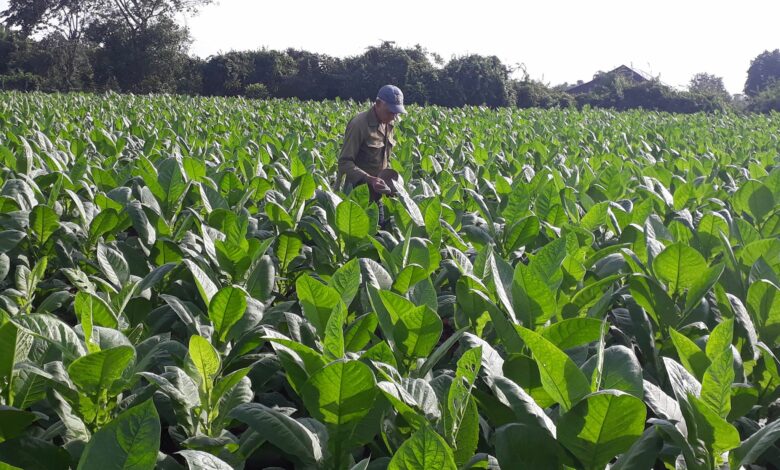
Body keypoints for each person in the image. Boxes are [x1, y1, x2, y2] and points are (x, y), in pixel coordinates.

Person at [336, 85, 406, 202]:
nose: (393, 117)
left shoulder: (388, 125)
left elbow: (384, 159)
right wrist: (369, 179)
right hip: (354, 196)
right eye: (390, 112)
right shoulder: (359, 124)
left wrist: (390, 184)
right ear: (378, 103)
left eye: (396, 113)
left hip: (376, 195)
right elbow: (344, 163)